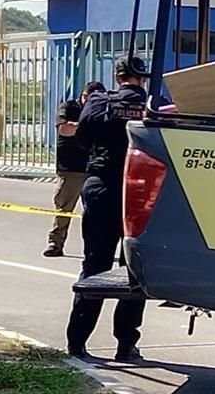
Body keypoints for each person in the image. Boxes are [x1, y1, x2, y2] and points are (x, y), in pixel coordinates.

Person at [66, 56, 148, 362]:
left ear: (118, 78)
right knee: (135, 270)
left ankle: (77, 343)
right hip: (140, 191)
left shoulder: (99, 102)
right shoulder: (155, 105)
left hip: (102, 187)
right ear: (140, 79)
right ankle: (126, 344)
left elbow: (82, 139)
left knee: (95, 265)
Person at [44, 81, 106, 258]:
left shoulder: (102, 110)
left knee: (95, 213)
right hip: (71, 169)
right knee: (63, 209)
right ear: (83, 95)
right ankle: (55, 243)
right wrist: (85, 124)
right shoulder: (70, 107)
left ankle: (94, 249)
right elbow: (64, 129)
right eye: (88, 98)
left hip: (94, 168)